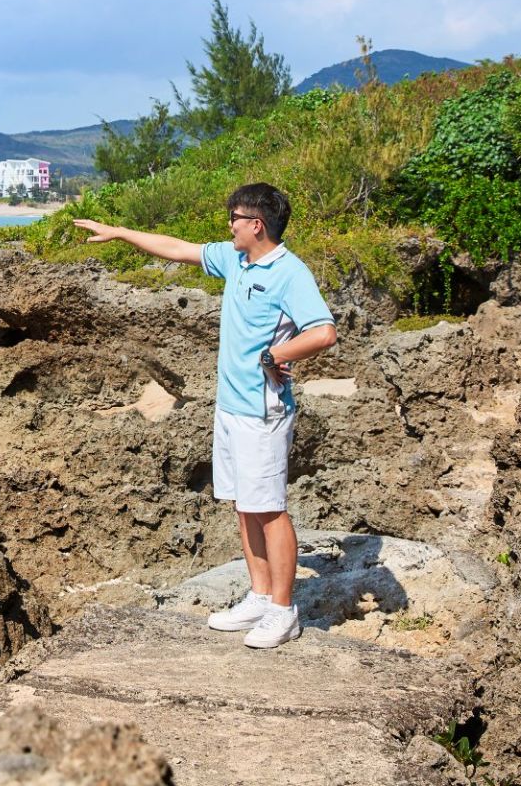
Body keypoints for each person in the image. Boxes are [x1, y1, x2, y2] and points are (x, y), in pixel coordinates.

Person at [73, 182, 337, 648]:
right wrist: (120, 232)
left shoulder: (290, 273)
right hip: (230, 406)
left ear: (257, 225)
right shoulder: (237, 260)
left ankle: (283, 611)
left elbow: (323, 332)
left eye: (234, 218)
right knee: (243, 504)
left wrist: (274, 355)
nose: (229, 226)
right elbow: (177, 248)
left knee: (269, 509)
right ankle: (259, 596)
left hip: (262, 411)